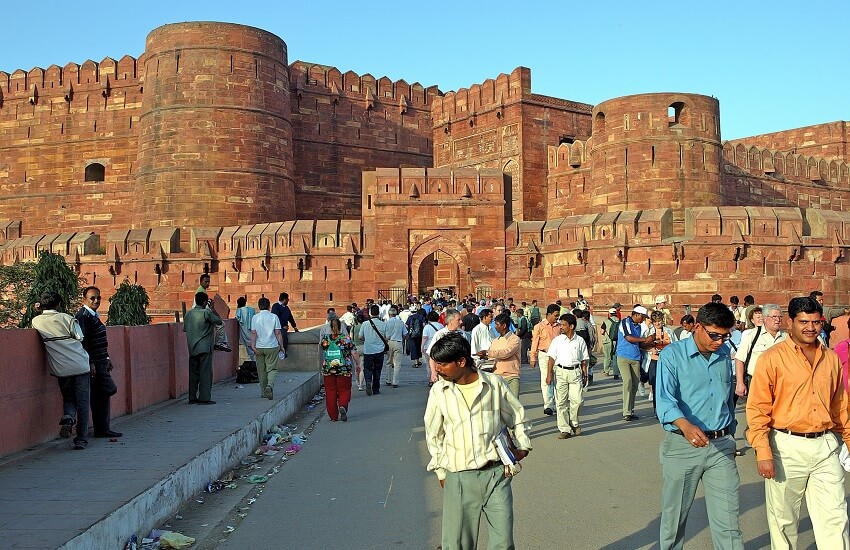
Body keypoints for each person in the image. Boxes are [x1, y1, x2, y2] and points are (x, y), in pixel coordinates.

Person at [747, 296, 850, 549]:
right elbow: (758, 408)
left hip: (825, 445)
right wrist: (763, 451)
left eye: (815, 322)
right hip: (785, 445)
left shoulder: (831, 359)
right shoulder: (772, 358)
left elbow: (840, 407)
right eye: (804, 321)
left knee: (835, 517)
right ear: (790, 322)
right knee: (783, 521)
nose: (810, 328)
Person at [424, 332, 532, 550]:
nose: (438, 370)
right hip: (459, 477)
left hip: (496, 476)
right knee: (457, 544)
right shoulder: (439, 391)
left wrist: (522, 447)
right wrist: (441, 471)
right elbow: (434, 434)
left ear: (461, 361)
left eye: (443, 364)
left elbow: (517, 416)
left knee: (502, 542)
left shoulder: (494, 385)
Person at [656, 302, 743, 550]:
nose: (719, 341)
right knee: (674, 520)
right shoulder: (672, 355)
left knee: (728, 521)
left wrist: (730, 431)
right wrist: (684, 425)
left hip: (721, 447)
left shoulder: (725, 354)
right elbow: (664, 400)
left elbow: (726, 397)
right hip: (684, 446)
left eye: (725, 336)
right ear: (697, 327)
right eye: (714, 335)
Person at [31, 291, 92, 450]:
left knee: (69, 397)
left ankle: (68, 418)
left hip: (60, 367)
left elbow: (42, 319)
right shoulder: (67, 318)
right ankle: (81, 439)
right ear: (58, 304)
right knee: (83, 403)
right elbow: (80, 337)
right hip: (79, 365)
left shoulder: (36, 321)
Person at [75, 286, 121, 438]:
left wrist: (107, 358)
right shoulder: (83, 316)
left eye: (98, 298)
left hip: (101, 360)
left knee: (101, 396)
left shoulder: (93, 315)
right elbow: (83, 342)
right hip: (94, 363)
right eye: (92, 298)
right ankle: (100, 428)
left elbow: (99, 341)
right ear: (84, 299)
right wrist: (91, 362)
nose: (96, 301)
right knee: (108, 389)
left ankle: (102, 428)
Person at [546, 313, 589, 439]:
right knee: (561, 402)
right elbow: (551, 358)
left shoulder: (580, 340)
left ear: (571, 326)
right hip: (560, 372)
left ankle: (574, 422)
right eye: (560, 324)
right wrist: (549, 374)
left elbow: (584, 359)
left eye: (563, 325)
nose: (561, 327)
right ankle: (564, 429)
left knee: (578, 400)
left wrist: (585, 373)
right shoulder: (557, 340)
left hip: (576, 372)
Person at [183, 291, 223, 405]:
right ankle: (204, 398)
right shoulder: (206, 312)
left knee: (193, 373)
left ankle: (192, 397)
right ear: (205, 302)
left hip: (192, 348)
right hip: (205, 347)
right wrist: (213, 308)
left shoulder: (188, 314)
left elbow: (185, 329)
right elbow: (219, 321)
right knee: (205, 373)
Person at [617, 305, 655, 421]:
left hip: (635, 357)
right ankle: (626, 411)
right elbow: (628, 337)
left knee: (634, 385)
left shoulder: (639, 327)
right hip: (623, 356)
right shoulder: (625, 322)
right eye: (642, 317)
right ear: (636, 314)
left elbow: (639, 343)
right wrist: (645, 340)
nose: (643, 320)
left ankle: (630, 410)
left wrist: (650, 342)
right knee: (627, 382)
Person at [319, 318, 355, 421]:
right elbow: (354, 352)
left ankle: (333, 416)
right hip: (344, 369)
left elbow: (322, 348)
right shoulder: (346, 338)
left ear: (330, 327)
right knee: (344, 390)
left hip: (328, 368)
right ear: (341, 327)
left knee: (330, 392)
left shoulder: (325, 339)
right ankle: (343, 405)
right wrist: (358, 364)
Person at [530, 304, 561, 416]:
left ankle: (559, 404)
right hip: (544, 354)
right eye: (555, 315)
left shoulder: (559, 326)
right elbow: (534, 342)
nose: (557, 317)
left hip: (557, 356)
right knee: (546, 379)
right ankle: (548, 404)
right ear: (548, 314)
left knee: (558, 379)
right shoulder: (539, 326)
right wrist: (532, 357)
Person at [250, 297, 284, 400]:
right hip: (272, 346)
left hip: (259, 347)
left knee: (261, 370)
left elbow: (253, 333)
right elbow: (278, 333)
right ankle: (270, 385)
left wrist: (253, 345)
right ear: (269, 306)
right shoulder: (274, 317)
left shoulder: (255, 318)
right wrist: (281, 346)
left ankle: (264, 392)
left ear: (259, 306)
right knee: (271, 369)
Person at [643, 310, 676, 410]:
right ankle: (657, 409)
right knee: (655, 385)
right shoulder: (648, 332)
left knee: (667, 384)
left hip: (666, 361)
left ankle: (668, 408)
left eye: (659, 321)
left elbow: (675, 345)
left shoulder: (669, 332)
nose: (657, 323)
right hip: (653, 361)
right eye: (655, 321)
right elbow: (642, 345)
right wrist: (651, 349)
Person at [486, 313, 522, 396]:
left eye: (497, 324)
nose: (495, 327)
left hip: (511, 377)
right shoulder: (495, 341)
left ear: (504, 325)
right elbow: (491, 357)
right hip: (497, 377)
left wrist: (488, 353)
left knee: (513, 406)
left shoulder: (514, 339)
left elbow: (506, 353)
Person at [358, 304, 387, 396]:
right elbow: (387, 337)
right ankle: (376, 389)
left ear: (370, 313)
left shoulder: (365, 324)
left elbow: (360, 337)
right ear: (378, 313)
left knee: (368, 368)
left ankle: (368, 381)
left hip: (368, 350)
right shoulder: (383, 324)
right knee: (377, 370)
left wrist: (367, 339)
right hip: (379, 350)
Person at [197, 274, 231, 352]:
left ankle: (222, 343)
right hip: (203, 313)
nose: (208, 284)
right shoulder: (201, 291)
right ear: (201, 281)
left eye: (208, 282)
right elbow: (205, 307)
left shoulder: (201, 290)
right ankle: (219, 343)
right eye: (206, 282)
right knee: (220, 324)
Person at [384, 306, 406, 388]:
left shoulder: (386, 323)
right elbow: (405, 334)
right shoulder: (400, 323)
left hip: (389, 342)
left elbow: (384, 335)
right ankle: (395, 381)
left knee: (388, 362)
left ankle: (388, 380)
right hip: (398, 342)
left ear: (389, 314)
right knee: (397, 363)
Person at [271, 292, 299, 357]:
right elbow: (276, 317)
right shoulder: (276, 306)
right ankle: (282, 352)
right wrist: (283, 326)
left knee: (284, 336)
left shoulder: (286, 308)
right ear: (284, 299)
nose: (288, 301)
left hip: (284, 327)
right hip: (277, 327)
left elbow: (290, 318)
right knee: (283, 337)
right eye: (287, 299)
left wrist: (294, 327)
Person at [235, 296, 256, 373]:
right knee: (254, 349)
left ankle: (254, 366)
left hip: (244, 332)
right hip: (253, 332)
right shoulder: (251, 309)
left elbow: (237, 319)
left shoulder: (239, 311)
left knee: (250, 350)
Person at [601, 307, 620, 378]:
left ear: (609, 314)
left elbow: (602, 332)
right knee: (616, 357)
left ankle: (606, 371)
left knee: (607, 357)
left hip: (608, 341)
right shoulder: (619, 321)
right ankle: (616, 373)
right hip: (617, 341)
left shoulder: (606, 321)